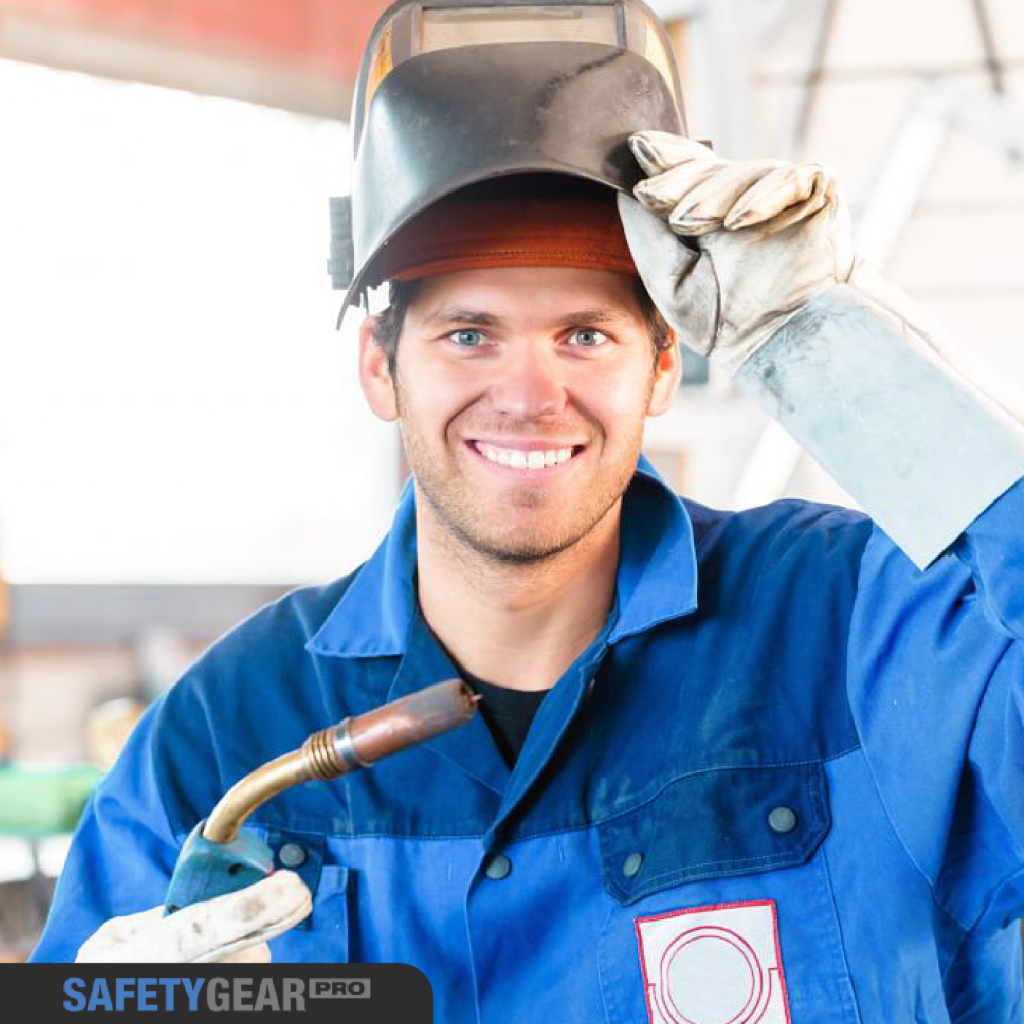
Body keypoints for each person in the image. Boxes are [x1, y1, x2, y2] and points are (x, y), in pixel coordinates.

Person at [32, 4, 1024, 1022]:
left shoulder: (852, 630)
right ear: (381, 368)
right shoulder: (231, 730)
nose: (529, 392)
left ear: (663, 367)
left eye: (585, 333)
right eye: (468, 333)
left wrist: (832, 346)